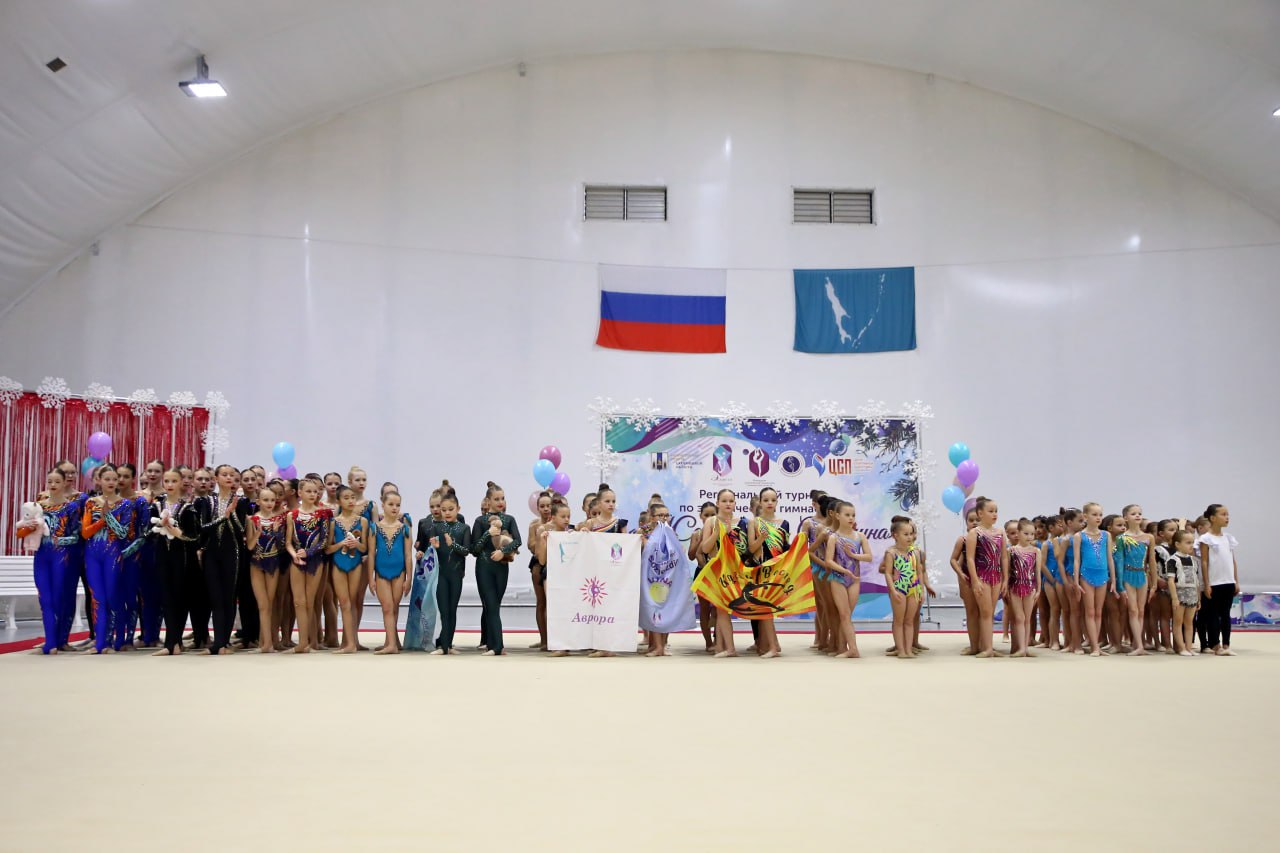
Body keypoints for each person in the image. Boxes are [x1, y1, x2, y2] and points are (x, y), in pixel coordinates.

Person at [80, 464, 144, 653]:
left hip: (113, 553)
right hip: (92, 554)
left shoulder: (126, 504)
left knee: (112, 597)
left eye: (114, 479)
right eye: (106, 479)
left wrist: (108, 517)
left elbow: (123, 533)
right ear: (99, 481)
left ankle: (119, 640)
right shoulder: (91, 503)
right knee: (97, 598)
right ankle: (101, 643)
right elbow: (85, 533)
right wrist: (102, 520)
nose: (111, 482)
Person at [15, 467, 80, 654]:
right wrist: (28, 528)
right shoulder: (39, 506)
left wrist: (59, 540)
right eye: (50, 481)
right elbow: (22, 529)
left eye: (57, 481)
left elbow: (76, 536)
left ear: (65, 483)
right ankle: (50, 643)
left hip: (61, 556)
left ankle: (58, 641)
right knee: (45, 599)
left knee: (58, 598)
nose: (53, 485)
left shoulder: (71, 507)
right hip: (42, 556)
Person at [472, 482, 521, 656]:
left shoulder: (509, 519)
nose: (500, 502)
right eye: (496, 499)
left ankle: (492, 644)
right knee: (491, 605)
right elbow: (474, 550)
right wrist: (487, 534)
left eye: (502, 498)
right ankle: (497, 646)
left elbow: (518, 541)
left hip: (501, 568)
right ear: (488, 501)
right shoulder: (480, 521)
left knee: (495, 606)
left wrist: (503, 551)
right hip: (484, 568)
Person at [284, 478, 332, 654]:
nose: (313, 494)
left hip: (315, 561)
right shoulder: (292, 515)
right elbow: (288, 543)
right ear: (300, 493)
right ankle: (302, 642)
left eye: (315, 491)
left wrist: (308, 553)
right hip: (297, 561)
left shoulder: (322, 514)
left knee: (310, 601)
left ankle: (308, 642)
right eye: (309, 491)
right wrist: (294, 555)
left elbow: (324, 541)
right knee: (299, 602)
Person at [325, 485, 370, 654]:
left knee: (352, 602)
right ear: (338, 501)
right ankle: (348, 643)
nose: (351, 501)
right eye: (346, 498)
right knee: (343, 603)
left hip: (355, 564)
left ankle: (350, 642)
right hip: (338, 564)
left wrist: (356, 544)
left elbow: (365, 547)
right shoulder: (333, 522)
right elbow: (327, 549)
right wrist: (341, 544)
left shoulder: (362, 521)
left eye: (352, 497)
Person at [823, 501, 870, 659]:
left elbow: (869, 556)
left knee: (847, 616)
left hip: (854, 580)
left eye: (853, 515)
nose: (851, 518)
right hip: (838, 578)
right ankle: (851, 649)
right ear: (837, 516)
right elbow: (828, 561)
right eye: (847, 515)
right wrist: (844, 571)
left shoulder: (860, 536)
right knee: (843, 614)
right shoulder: (833, 538)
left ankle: (845, 648)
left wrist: (854, 555)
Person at [245, 486, 288, 654]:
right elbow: (250, 546)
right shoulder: (252, 519)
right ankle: (266, 644)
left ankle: (266, 642)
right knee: (263, 605)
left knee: (270, 604)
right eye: (265, 500)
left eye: (272, 500)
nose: (269, 503)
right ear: (258, 501)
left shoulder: (278, 520)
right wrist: (257, 533)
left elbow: (281, 545)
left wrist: (277, 532)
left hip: (273, 562)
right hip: (257, 563)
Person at [746, 487, 788, 658]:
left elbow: (785, 548)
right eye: (766, 500)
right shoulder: (754, 523)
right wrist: (761, 538)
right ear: (761, 503)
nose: (770, 503)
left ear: (777, 502)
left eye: (773, 500)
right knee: (763, 609)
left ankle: (772, 645)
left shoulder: (784, 523)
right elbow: (751, 548)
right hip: (760, 569)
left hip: (777, 570)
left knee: (767, 609)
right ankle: (772, 645)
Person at [700, 488, 741, 658]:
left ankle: (726, 647)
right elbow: (704, 548)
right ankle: (723, 646)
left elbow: (743, 549)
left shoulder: (741, 522)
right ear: (717, 503)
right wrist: (717, 533)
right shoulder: (711, 521)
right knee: (720, 609)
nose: (728, 504)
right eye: (724, 501)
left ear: (735, 503)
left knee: (723, 610)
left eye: (731, 501)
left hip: (734, 571)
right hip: (717, 570)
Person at [370, 491, 412, 654]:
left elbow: (408, 555)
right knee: (387, 607)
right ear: (383, 505)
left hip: (399, 572)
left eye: (397, 505)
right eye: (391, 504)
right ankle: (391, 644)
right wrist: (370, 578)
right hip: (381, 572)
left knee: (394, 607)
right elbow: (371, 554)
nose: (394, 508)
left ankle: (391, 643)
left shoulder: (404, 528)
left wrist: (409, 578)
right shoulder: (375, 528)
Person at [430, 493, 472, 655]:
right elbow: (435, 554)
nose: (447, 512)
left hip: (456, 574)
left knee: (452, 609)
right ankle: (443, 646)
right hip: (442, 574)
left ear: (458, 509)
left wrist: (452, 544)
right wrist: (434, 547)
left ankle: (448, 645)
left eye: (450, 509)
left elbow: (466, 551)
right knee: (444, 610)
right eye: (444, 510)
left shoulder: (464, 528)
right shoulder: (437, 527)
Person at [1072, 502, 1115, 658]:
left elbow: (1109, 558)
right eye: (1094, 514)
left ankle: (1096, 645)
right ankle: (1095, 647)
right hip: (1086, 575)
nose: (1098, 518)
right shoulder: (1079, 536)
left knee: (1098, 612)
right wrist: (1076, 581)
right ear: (1085, 516)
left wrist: (1113, 579)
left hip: (1103, 575)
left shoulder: (1106, 535)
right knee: (1090, 612)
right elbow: (1077, 560)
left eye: (1100, 515)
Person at [965, 496, 1006, 658]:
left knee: (991, 612)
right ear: (980, 513)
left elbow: (1004, 557)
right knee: (986, 612)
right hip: (982, 576)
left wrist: (1005, 579)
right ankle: (987, 648)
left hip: (996, 576)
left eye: (996, 511)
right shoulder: (974, 533)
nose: (995, 514)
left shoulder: (1000, 532)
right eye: (991, 511)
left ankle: (988, 646)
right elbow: (970, 558)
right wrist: (975, 580)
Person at [1198, 504, 1239, 656]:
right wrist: (1206, 583)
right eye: (1223, 514)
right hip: (1214, 582)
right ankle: (1215, 644)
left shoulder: (1228, 538)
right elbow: (1204, 562)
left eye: (1227, 514)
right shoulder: (1206, 538)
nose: (1227, 517)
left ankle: (1226, 644)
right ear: (1213, 518)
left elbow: (1232, 560)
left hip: (1228, 581)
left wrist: (1236, 580)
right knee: (1213, 614)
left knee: (1226, 614)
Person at [1115, 504, 1156, 656]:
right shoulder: (1122, 538)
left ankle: (1139, 644)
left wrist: (1154, 584)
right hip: (1128, 574)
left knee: (1141, 611)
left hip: (1142, 575)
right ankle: (1139, 645)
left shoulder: (1149, 537)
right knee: (1133, 610)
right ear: (1125, 518)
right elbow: (1119, 561)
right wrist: (1120, 585)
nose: (1137, 516)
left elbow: (1151, 561)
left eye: (1139, 513)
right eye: (1133, 514)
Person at [882, 517, 922, 659]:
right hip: (899, 588)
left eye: (911, 534)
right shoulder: (891, 553)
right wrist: (893, 590)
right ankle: (901, 649)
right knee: (899, 620)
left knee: (909, 621)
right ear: (895, 535)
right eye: (906, 534)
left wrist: (921, 590)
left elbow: (919, 572)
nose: (910, 537)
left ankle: (908, 649)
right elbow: (887, 573)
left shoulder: (915, 552)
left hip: (913, 589)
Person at [1006, 519, 1042, 657]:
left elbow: (1037, 572)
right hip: (1014, 586)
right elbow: (1007, 572)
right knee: (1019, 618)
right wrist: (1006, 587)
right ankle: (1021, 648)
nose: (1029, 537)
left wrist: (1038, 589)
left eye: (1032, 534)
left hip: (1030, 587)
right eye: (1026, 533)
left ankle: (1025, 648)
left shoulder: (1036, 551)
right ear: (1019, 533)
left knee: (1027, 618)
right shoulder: (1011, 550)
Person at [1164, 530, 1201, 657]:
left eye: (1192, 542)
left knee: (1189, 622)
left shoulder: (1194, 560)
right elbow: (1171, 581)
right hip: (1179, 593)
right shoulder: (1172, 560)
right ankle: (1181, 648)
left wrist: (1198, 598)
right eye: (1188, 543)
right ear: (1178, 544)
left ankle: (1189, 647)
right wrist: (1174, 598)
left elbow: (1196, 581)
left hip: (1192, 594)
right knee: (1178, 622)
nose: (1191, 545)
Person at [949, 508, 981, 655]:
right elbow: (953, 560)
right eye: (971, 520)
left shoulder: (990, 539)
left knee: (985, 614)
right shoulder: (962, 540)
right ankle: (974, 646)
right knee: (972, 612)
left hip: (986, 579)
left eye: (977, 520)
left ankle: (985, 645)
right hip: (968, 579)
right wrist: (961, 574)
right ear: (966, 523)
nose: (974, 523)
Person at [688, 501, 717, 652]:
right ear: (700, 516)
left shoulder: (721, 532)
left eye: (713, 515)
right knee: (705, 609)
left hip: (718, 575)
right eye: (706, 515)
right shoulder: (697, 534)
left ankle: (718, 639)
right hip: (702, 574)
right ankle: (708, 643)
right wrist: (699, 541)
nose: (709, 518)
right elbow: (691, 556)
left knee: (719, 609)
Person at [527, 491, 553, 651]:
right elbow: (532, 547)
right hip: (538, 565)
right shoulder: (534, 525)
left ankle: (555, 639)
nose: (546, 509)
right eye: (542, 506)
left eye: (548, 506)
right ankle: (544, 640)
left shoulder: (558, 523)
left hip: (555, 564)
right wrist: (541, 539)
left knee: (554, 603)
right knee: (541, 602)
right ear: (537, 508)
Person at [1037, 514, 1065, 650]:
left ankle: (1063, 639)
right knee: (1055, 610)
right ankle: (1053, 641)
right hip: (1049, 580)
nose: (1062, 526)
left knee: (1063, 610)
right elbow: (1042, 564)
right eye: (1059, 525)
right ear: (1051, 528)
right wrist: (1052, 579)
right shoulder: (1046, 544)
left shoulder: (1064, 542)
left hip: (1061, 578)